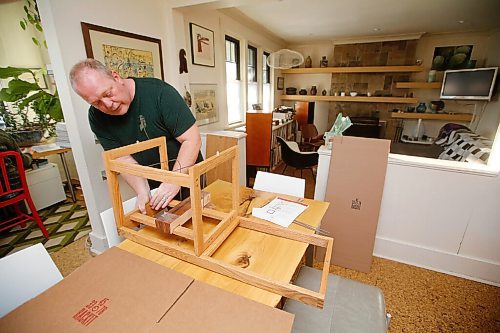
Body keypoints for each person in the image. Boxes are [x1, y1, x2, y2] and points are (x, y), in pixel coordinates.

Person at [69, 59, 202, 214]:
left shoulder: (160, 93)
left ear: (116, 77)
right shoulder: (96, 117)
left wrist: (174, 180)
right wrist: (142, 191)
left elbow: (192, 140)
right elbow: (122, 158)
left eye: (108, 94)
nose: (108, 104)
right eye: (97, 102)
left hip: (188, 175)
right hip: (155, 186)